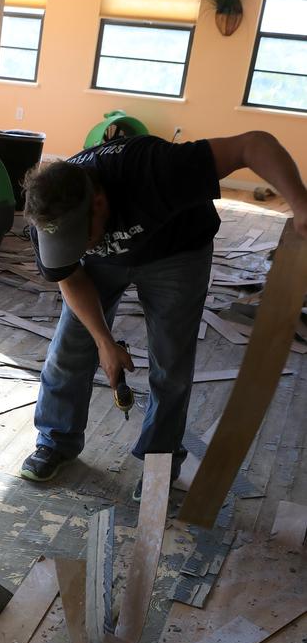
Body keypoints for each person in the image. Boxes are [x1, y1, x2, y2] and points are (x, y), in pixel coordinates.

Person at [18, 130, 307, 496]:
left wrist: (300, 202)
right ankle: (55, 441)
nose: (71, 247)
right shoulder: (49, 214)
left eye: (79, 237)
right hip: (106, 262)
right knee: (69, 349)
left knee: (170, 362)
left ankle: (160, 461)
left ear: (99, 202)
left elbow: (254, 143)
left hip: (177, 252)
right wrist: (105, 342)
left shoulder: (155, 170)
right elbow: (70, 276)